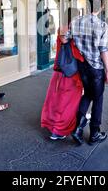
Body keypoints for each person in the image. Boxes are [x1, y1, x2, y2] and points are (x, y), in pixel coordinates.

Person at [68, 0, 108, 146]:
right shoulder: (102, 26)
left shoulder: (75, 21)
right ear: (102, 7)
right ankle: (94, 133)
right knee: (98, 98)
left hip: (81, 65)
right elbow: (103, 49)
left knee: (87, 94)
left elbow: (65, 38)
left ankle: (78, 128)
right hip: (96, 67)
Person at [41, 8, 84, 140]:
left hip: (59, 71)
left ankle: (54, 127)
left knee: (56, 100)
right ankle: (59, 130)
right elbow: (75, 47)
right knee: (67, 102)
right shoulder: (72, 30)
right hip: (70, 72)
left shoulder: (61, 28)